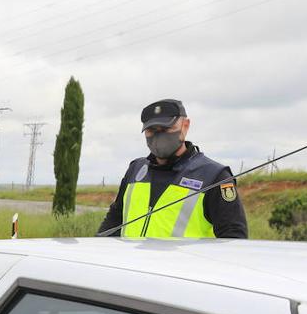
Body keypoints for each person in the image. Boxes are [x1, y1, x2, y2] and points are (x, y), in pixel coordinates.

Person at [98, 99, 247, 239]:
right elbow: (114, 221)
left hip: (183, 267)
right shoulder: (135, 170)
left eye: (166, 129)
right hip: (132, 265)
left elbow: (233, 239)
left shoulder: (214, 176)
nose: (159, 136)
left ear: (185, 126)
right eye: (151, 130)